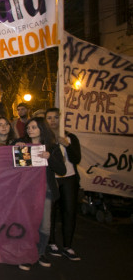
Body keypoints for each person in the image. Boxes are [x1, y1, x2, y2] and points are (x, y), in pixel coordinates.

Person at [15, 117, 66, 271]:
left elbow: (61, 170)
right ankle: (27, 255)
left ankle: (40, 253)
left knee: (44, 226)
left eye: (34, 127)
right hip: (27, 192)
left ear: (42, 129)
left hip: (46, 192)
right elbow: (14, 169)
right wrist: (16, 148)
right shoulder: (23, 145)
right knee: (27, 224)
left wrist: (49, 158)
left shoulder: (52, 147)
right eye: (29, 127)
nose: (30, 130)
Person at [45, 108, 82, 261]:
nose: (53, 120)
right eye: (49, 117)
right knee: (50, 213)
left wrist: (67, 145)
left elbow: (77, 158)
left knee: (69, 211)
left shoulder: (70, 137)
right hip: (51, 179)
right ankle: (51, 242)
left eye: (55, 117)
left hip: (69, 178)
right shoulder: (44, 139)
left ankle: (68, 245)